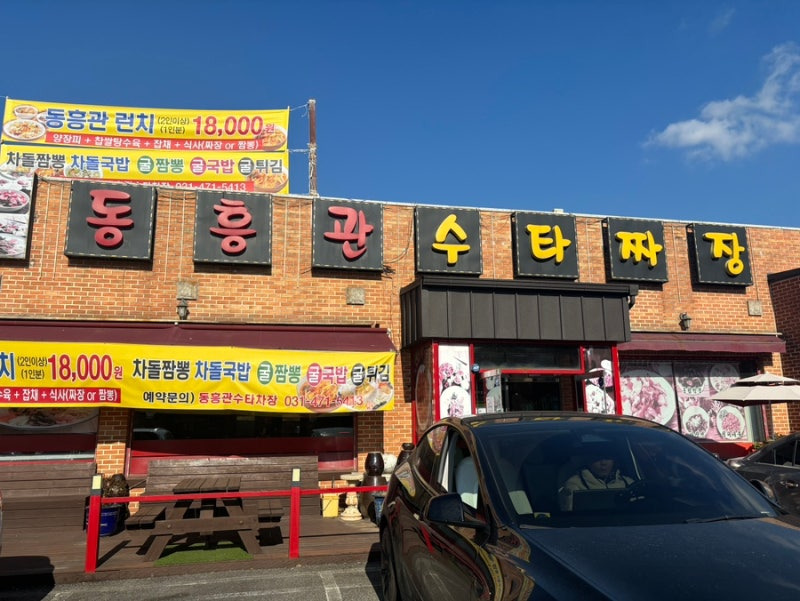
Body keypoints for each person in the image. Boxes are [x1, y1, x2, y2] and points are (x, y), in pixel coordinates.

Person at [558, 445, 634, 510]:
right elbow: (568, 516)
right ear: (588, 460)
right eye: (597, 458)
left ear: (614, 460)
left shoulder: (629, 483)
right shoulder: (574, 485)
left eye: (607, 458)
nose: (603, 463)